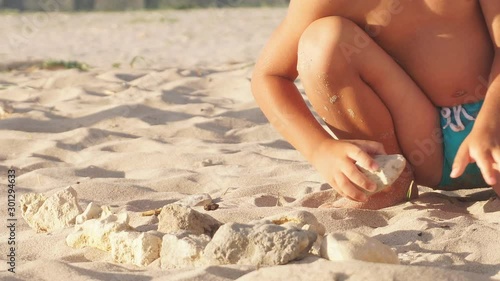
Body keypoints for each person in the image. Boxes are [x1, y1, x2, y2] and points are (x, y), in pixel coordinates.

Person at [251, 0, 500, 209]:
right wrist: (318, 149)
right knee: (323, 41)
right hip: (422, 141)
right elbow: (269, 77)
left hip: (495, 115)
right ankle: (388, 185)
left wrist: (490, 124)